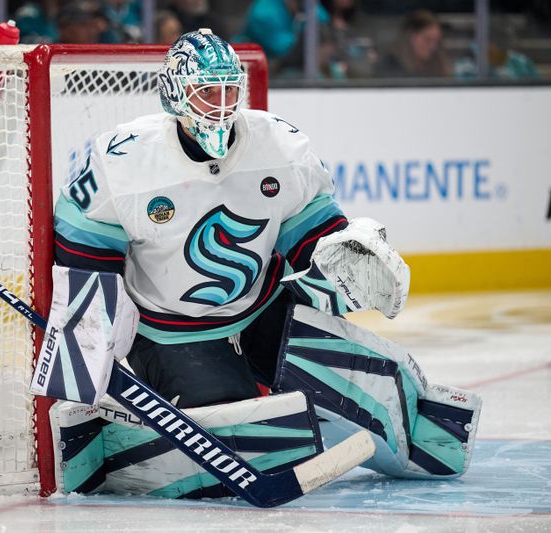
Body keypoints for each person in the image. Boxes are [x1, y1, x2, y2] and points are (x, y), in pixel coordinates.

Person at [51, 28, 481, 495]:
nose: (221, 103)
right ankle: (116, 447)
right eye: (207, 91)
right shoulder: (125, 158)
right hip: (172, 330)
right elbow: (82, 237)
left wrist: (345, 252)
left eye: (228, 89)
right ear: (176, 96)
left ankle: (417, 437)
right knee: (241, 437)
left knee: (368, 380)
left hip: (264, 307)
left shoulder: (278, 143)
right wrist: (101, 298)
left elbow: (309, 231)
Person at [376, 9, 451, 78]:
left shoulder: (437, 64)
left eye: (437, 41)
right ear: (410, 37)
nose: (433, 47)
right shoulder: (390, 66)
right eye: (427, 40)